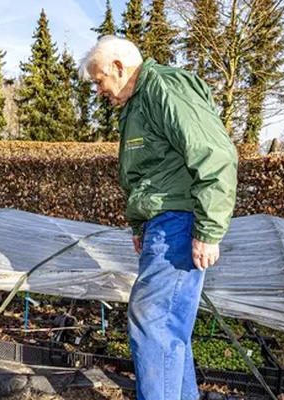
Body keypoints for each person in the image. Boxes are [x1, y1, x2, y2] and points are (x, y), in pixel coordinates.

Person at [79, 36, 238, 400]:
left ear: (119, 67)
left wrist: (209, 231)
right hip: (162, 224)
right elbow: (146, 174)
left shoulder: (163, 89)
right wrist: (140, 225)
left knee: (151, 320)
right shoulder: (137, 105)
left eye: (99, 79)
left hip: (179, 221)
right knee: (167, 328)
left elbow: (216, 154)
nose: (98, 88)